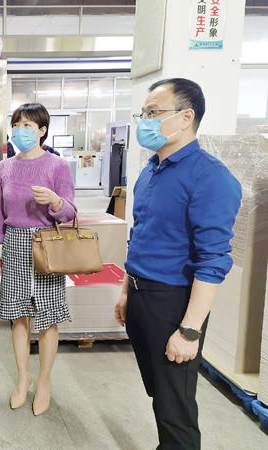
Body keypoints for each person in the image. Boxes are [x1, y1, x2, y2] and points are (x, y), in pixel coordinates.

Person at [115, 78, 241, 449]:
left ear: (186, 117)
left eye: (154, 112)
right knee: (161, 392)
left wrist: (189, 331)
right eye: (143, 114)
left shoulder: (211, 177)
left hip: (173, 302)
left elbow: (213, 260)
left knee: (176, 406)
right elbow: (141, 234)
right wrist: (126, 291)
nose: (145, 122)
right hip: (141, 295)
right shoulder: (152, 170)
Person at [0, 103, 76, 416]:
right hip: (14, 244)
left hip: (46, 243)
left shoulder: (58, 166)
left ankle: (44, 381)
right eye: (16, 125)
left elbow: (70, 213)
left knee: (47, 316)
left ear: (42, 130)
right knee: (18, 314)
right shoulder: (5, 168)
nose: (20, 130)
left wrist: (55, 201)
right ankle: (22, 378)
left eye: (28, 125)